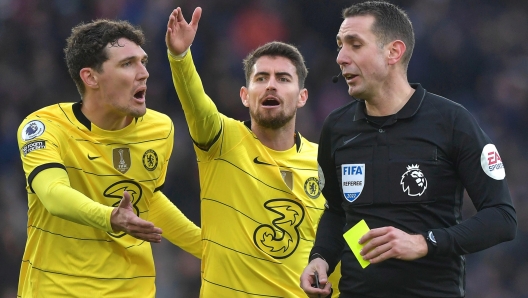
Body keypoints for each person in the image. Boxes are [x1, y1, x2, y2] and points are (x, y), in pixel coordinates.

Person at [299, 1, 517, 297]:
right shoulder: (337, 128)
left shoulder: (452, 121)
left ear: (393, 51)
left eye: (355, 44)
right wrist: (321, 257)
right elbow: (337, 212)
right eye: (340, 46)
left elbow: (502, 217)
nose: (341, 57)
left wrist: (425, 242)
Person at [16, 19, 202, 297]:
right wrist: (111, 217)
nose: (144, 73)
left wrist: (212, 249)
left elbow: (148, 201)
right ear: (91, 77)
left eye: (144, 61)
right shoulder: (44, 126)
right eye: (128, 64)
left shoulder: (160, 129)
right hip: (56, 290)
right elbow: (53, 194)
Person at [165, 7, 340, 298]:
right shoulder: (222, 141)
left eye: (283, 79)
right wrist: (180, 58)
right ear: (245, 96)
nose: (271, 84)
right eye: (261, 78)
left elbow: (348, 238)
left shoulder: (326, 162)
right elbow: (195, 102)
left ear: (302, 97)